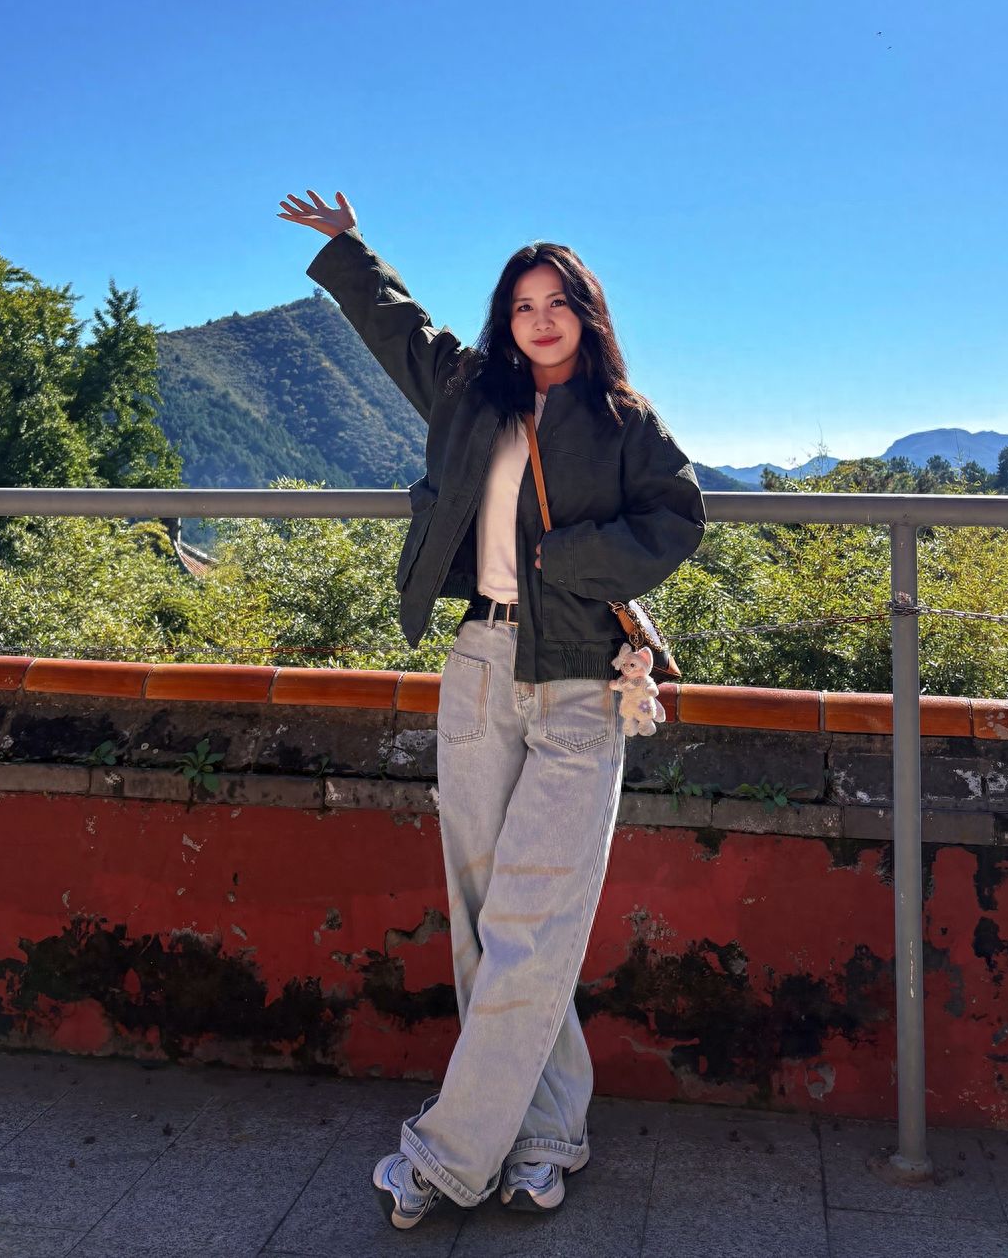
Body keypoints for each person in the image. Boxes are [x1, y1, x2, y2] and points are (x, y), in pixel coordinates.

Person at [278, 188, 706, 1229]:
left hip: (576, 680)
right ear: (504, 320)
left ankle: (444, 1156)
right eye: (523, 304)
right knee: (484, 918)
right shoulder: (469, 396)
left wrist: (570, 560)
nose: (542, 318)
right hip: (476, 661)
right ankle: (547, 1134)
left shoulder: (623, 420)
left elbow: (679, 518)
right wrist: (348, 250)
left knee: (529, 921)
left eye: (559, 301)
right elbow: (396, 329)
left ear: (587, 314)